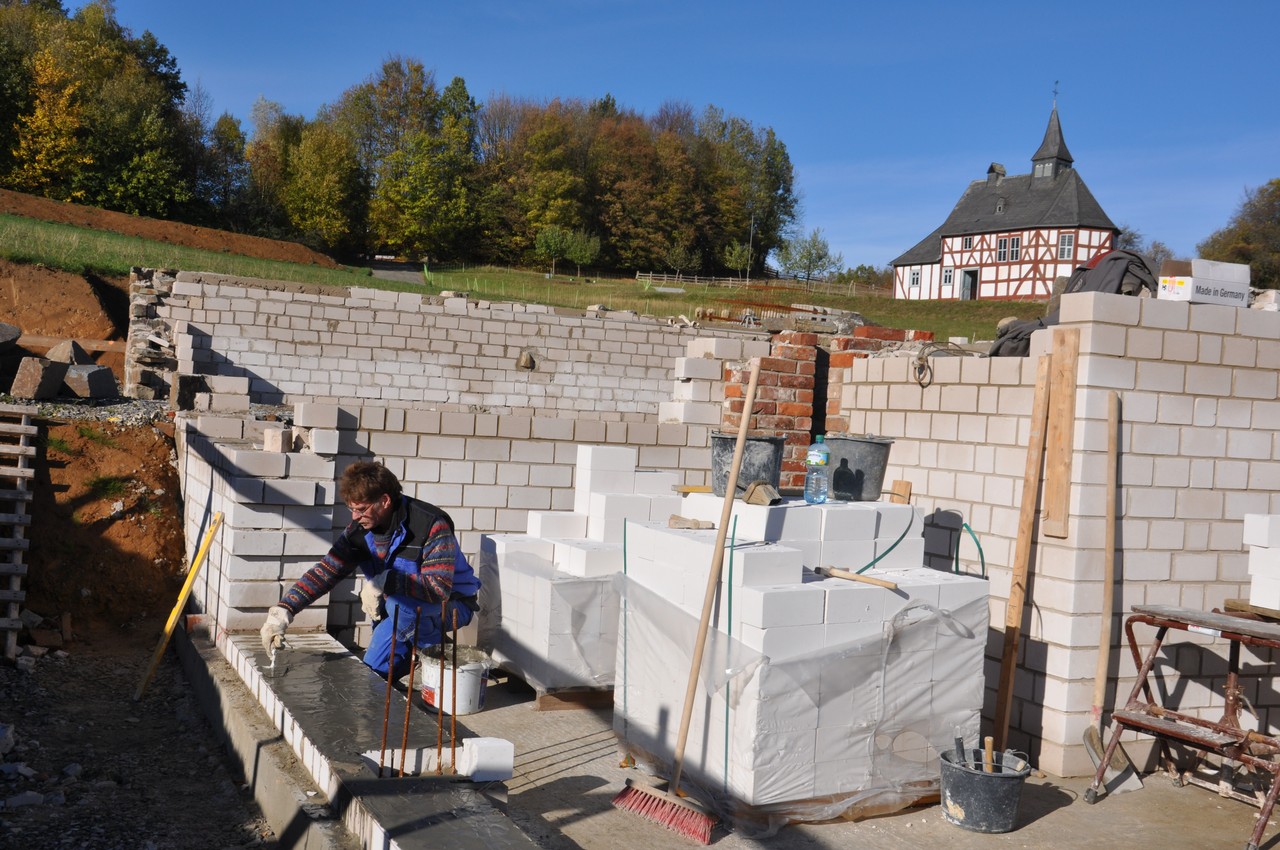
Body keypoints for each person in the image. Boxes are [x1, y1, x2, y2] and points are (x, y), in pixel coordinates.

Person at [259, 460, 481, 679]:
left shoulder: (430, 524)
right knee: (373, 675)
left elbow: (439, 588)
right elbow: (326, 571)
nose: (354, 517)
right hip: (398, 612)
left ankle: (438, 653)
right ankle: (410, 656)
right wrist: (285, 609)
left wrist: (386, 581)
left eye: (361, 509)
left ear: (384, 501)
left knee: (397, 605)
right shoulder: (359, 531)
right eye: (351, 509)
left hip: (452, 605)